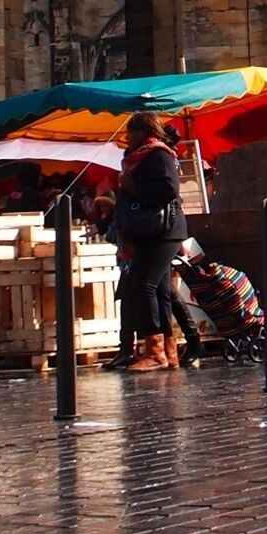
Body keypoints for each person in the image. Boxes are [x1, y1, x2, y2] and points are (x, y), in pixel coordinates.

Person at [114, 112, 188, 371]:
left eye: (130, 132)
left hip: (163, 230)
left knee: (143, 285)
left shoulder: (158, 154)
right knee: (160, 290)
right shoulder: (138, 158)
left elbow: (169, 189)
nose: (126, 138)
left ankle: (154, 351)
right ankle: (169, 351)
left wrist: (134, 189)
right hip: (149, 231)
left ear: (144, 132)